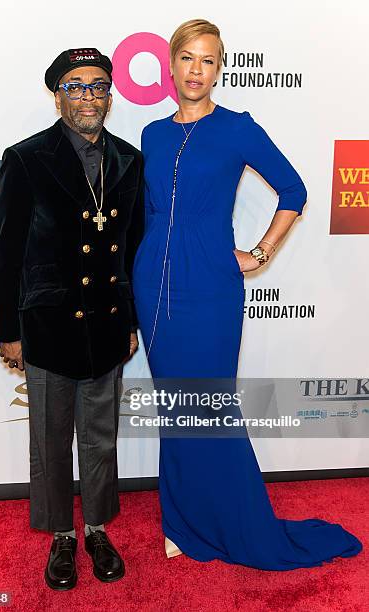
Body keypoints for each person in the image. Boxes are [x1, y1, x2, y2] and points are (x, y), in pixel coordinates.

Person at [133, 19, 362, 569]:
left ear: (219, 69)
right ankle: (184, 523)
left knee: (209, 408)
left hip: (210, 286)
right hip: (152, 287)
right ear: (171, 64)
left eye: (208, 61)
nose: (196, 70)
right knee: (175, 409)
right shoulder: (152, 135)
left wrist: (259, 253)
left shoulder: (237, 128)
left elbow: (295, 190)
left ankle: (233, 523)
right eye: (187, 58)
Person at [0, 47, 144, 589]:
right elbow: (6, 251)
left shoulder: (128, 160)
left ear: (110, 93)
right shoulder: (26, 158)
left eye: (97, 85)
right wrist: (6, 328)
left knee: (100, 438)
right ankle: (61, 536)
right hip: (48, 324)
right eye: (75, 85)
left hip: (105, 325)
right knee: (51, 439)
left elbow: (129, 250)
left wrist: (129, 321)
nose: (88, 96)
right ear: (57, 95)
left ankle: (97, 527)